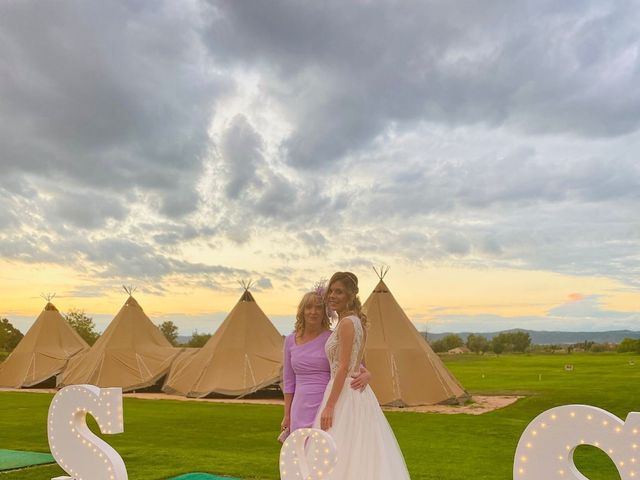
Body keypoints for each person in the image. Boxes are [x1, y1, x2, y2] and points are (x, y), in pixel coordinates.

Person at [313, 271, 411, 479]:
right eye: (330, 291)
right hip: (355, 391)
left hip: (344, 393)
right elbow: (357, 364)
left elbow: (344, 366)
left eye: (338, 292)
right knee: (357, 449)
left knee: (340, 448)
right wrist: (366, 373)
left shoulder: (348, 323)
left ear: (350, 295)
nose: (332, 295)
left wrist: (330, 405)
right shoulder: (355, 322)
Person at [281, 289, 370, 436]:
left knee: (323, 451)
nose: (313, 312)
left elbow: (350, 364)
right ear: (302, 311)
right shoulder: (290, 340)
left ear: (325, 312)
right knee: (300, 452)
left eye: (318, 308)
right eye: (309, 307)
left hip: (326, 402)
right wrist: (287, 415)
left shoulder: (331, 339)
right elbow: (288, 381)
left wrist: (367, 374)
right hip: (299, 406)